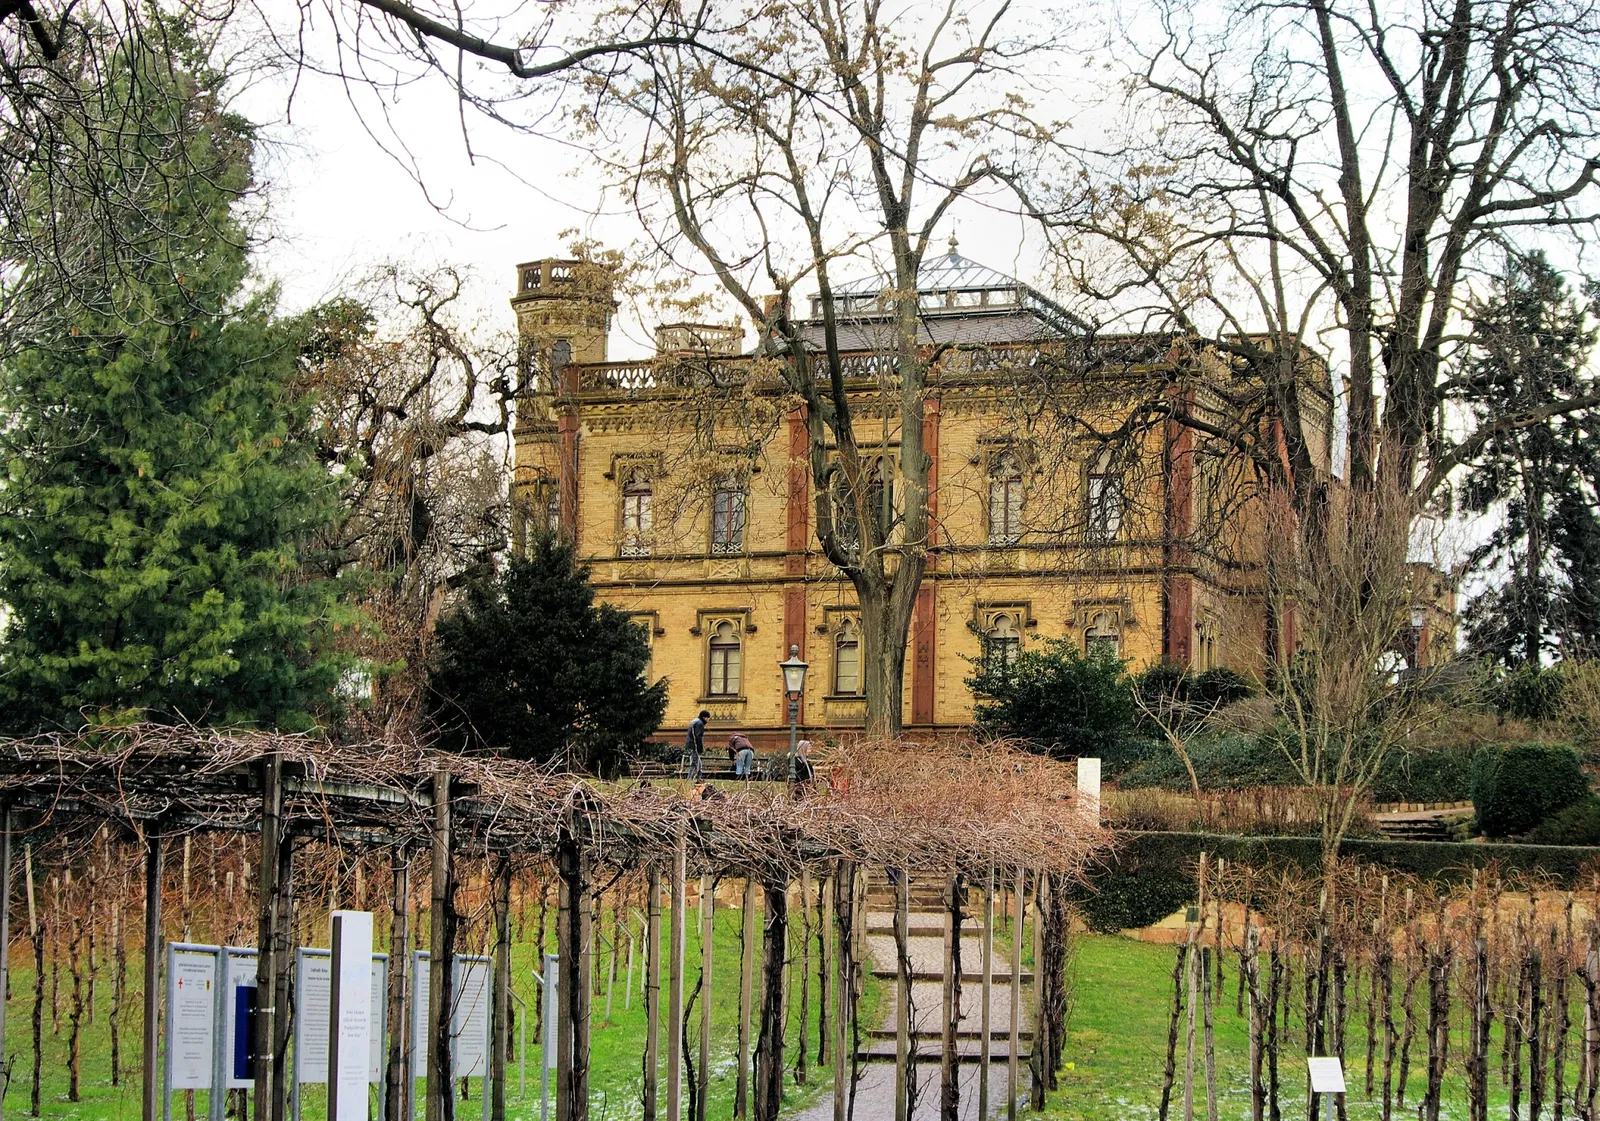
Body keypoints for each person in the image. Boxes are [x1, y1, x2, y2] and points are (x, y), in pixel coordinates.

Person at [684, 709, 709, 780]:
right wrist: (700, 748)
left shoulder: (694, 721)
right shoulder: (700, 723)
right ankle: (689, 778)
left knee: (698, 763)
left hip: (690, 744)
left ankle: (699, 778)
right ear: (705, 717)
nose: (708, 720)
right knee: (694, 763)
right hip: (695, 745)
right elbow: (698, 737)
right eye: (708, 718)